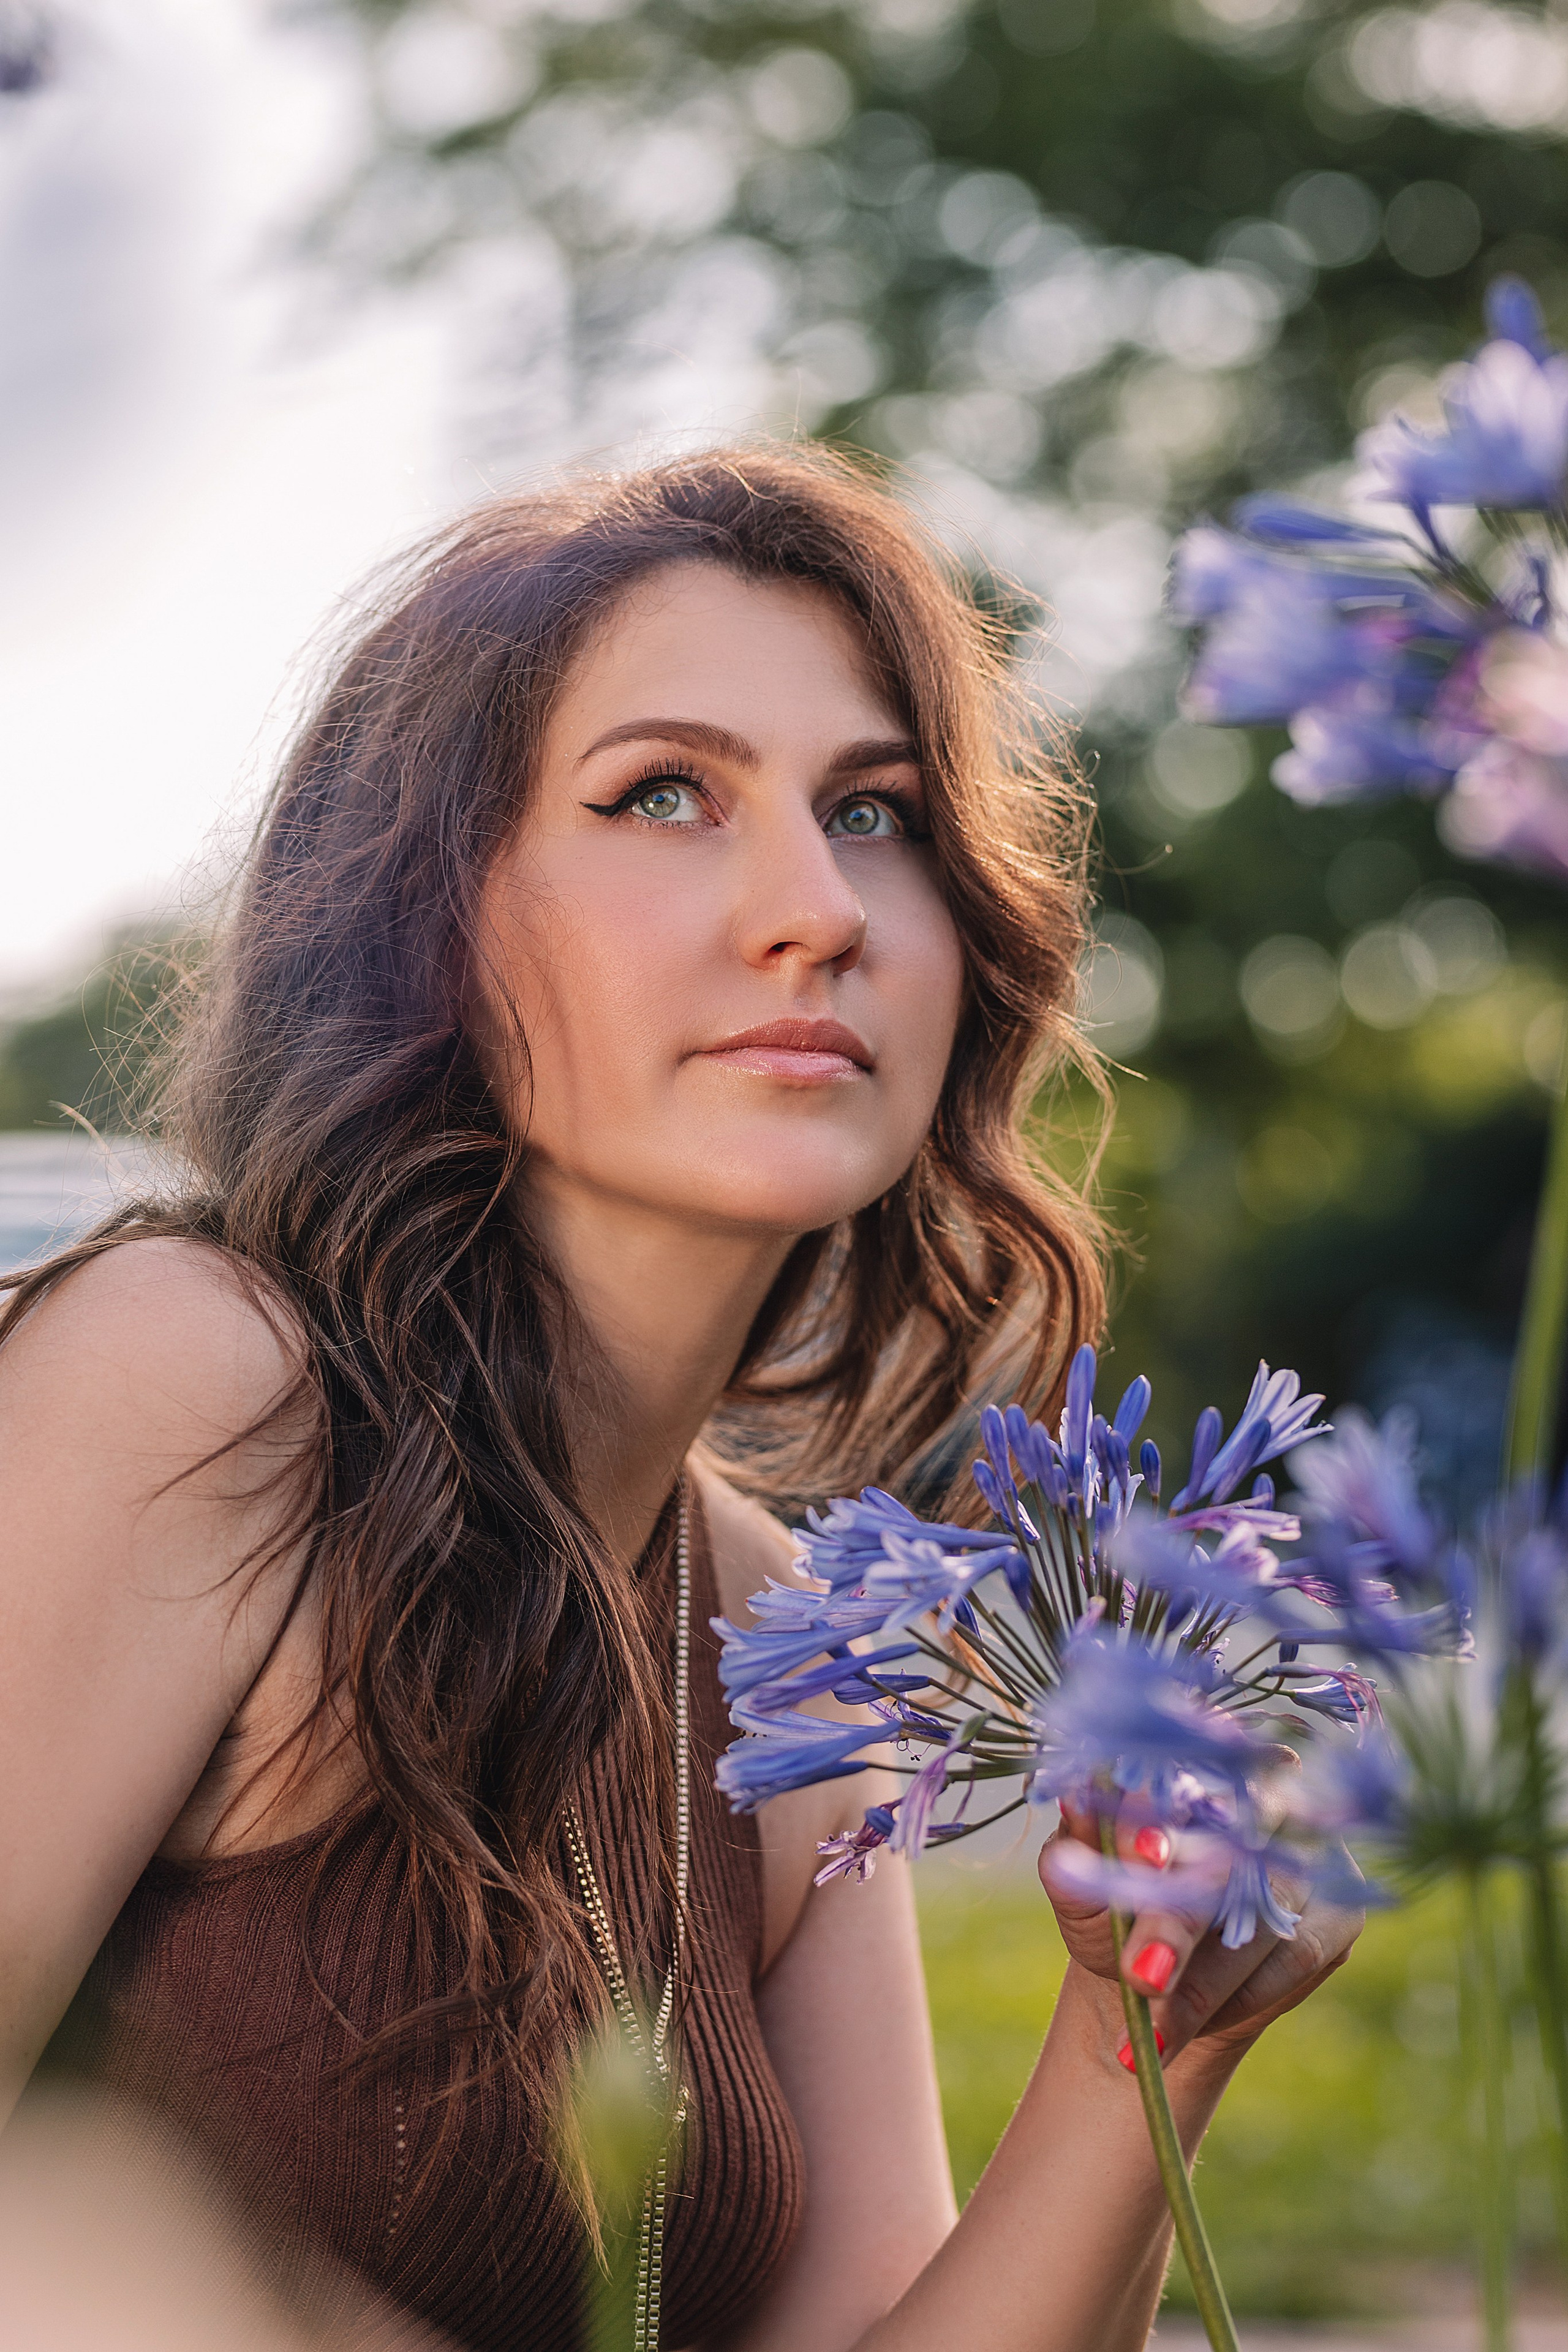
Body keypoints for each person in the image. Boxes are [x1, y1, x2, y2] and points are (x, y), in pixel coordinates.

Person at [0, 446, 1359, 2352]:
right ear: (427, 926)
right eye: (663, 794)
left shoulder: (798, 1631)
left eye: (877, 814)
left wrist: (1153, 2038)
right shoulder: (199, 1380)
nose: (817, 908)